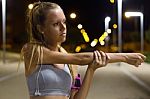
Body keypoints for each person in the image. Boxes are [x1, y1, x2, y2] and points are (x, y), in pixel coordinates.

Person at [21, 1, 146, 99]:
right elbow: (80, 58)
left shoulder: (68, 61)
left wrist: (91, 69)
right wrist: (124, 57)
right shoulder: (31, 51)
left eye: (64, 22)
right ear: (40, 28)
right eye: (55, 24)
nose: (63, 27)